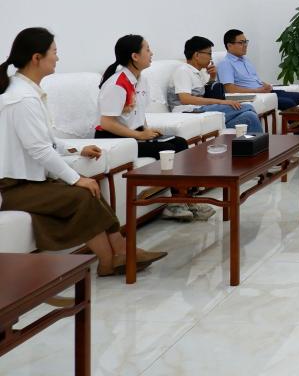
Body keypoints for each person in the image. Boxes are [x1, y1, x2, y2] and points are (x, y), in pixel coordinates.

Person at [0, 28, 165, 276]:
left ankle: (120, 253)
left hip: (29, 181)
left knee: (90, 189)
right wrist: (76, 178)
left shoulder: (27, 92)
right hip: (13, 187)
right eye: (54, 52)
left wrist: (77, 148)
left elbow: (46, 140)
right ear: (36, 58)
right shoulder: (21, 99)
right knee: (83, 193)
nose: (57, 57)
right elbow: (40, 150)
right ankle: (111, 259)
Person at [95, 34, 200, 222]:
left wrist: (147, 130)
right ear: (135, 56)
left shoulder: (141, 79)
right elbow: (107, 123)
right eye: (147, 49)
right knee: (170, 147)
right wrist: (140, 135)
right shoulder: (117, 83)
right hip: (113, 138)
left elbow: (138, 111)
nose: (152, 53)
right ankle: (177, 203)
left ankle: (185, 199)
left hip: (133, 134)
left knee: (179, 143)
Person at [217, 29, 299, 156]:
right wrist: (257, 90)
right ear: (229, 45)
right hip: (256, 95)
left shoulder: (246, 60)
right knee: (289, 103)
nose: (245, 45)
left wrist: (265, 85)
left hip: (266, 91)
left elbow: (253, 80)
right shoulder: (225, 64)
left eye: (246, 42)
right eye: (241, 42)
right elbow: (230, 89)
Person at [169, 36, 262, 134]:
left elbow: (203, 95)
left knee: (250, 116)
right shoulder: (183, 71)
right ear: (196, 55)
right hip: (188, 111)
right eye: (209, 54)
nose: (211, 58)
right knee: (247, 107)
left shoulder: (198, 73)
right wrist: (222, 102)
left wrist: (212, 77)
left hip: (199, 109)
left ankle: (256, 143)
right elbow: (185, 99)